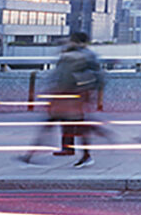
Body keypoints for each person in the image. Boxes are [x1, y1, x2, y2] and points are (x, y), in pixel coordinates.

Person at [18, 34, 94, 167]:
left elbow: (69, 77)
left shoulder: (80, 56)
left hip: (70, 98)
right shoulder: (72, 55)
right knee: (60, 126)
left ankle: (30, 156)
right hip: (66, 98)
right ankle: (31, 155)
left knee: (69, 127)